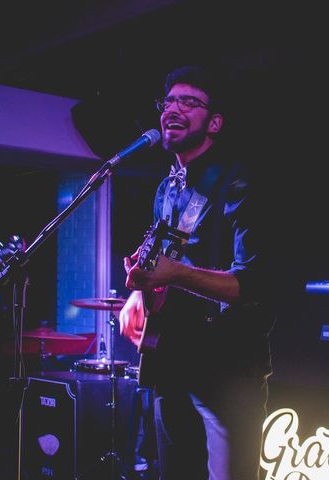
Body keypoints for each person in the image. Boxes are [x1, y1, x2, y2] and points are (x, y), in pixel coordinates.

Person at [119, 65, 276, 480]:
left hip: (226, 369)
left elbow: (252, 285)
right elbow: (160, 264)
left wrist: (174, 274)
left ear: (214, 122)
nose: (174, 108)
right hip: (170, 360)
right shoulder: (167, 188)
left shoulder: (239, 182)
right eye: (169, 101)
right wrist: (139, 292)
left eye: (189, 102)